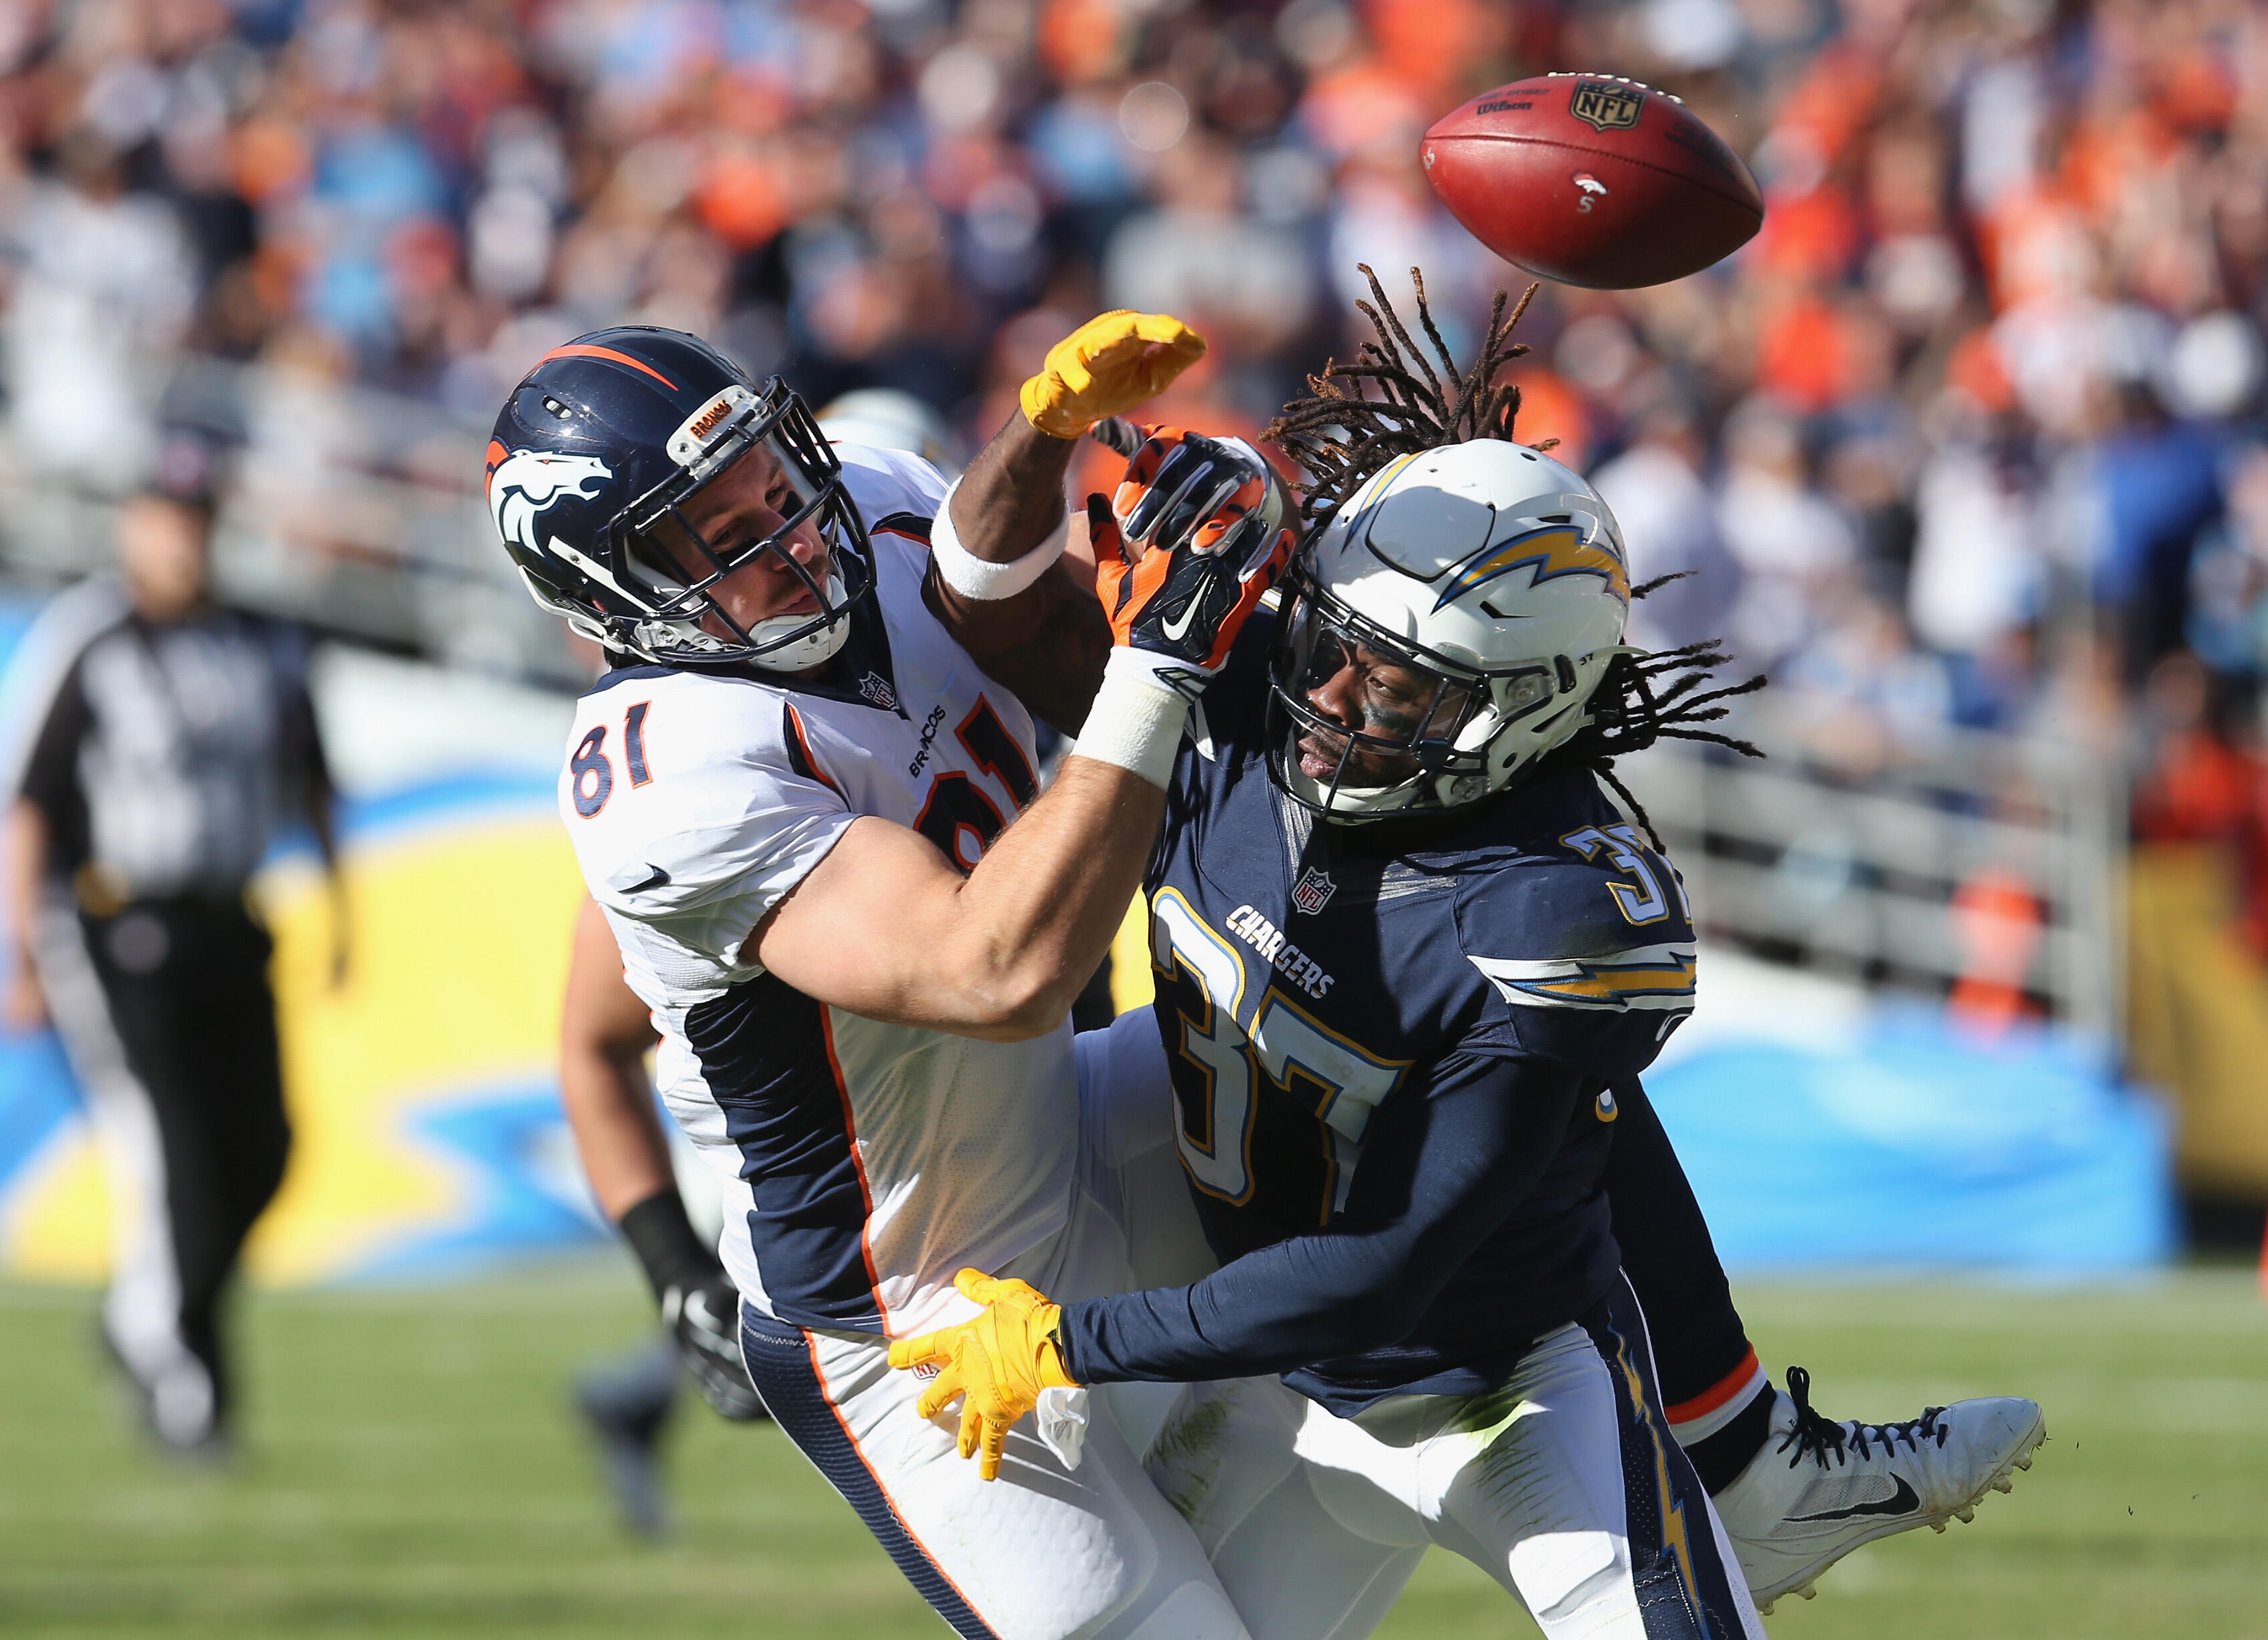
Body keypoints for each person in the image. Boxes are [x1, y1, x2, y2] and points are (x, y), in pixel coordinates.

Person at [890, 273, 2047, 1633]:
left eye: (1393, 684)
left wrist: (1068, 1342)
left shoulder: (1541, 909)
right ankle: (1752, 1460)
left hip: (1498, 1397)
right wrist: (1042, 432)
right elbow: (985, 599)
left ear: (1522, 705)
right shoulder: (1253, 688)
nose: (1326, 699)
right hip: (1269, 1394)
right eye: (1334, 647)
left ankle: (1743, 1464)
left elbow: (1384, 1265)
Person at [488, 314, 1282, 1640]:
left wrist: (1041, 430)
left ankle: (1718, 1458)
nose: (792, 535)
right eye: (718, 535)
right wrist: (1155, 663)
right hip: (910, 1317)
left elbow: (988, 575)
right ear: (610, 595)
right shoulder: (667, 772)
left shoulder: (864, 489)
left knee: (1374, 1081)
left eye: (772, 482)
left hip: (1079, 1128)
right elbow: (995, 967)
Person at [3, 476, 345, 1458]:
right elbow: (29, 804)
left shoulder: (266, 642)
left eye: (196, 524)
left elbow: (311, 780)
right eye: (164, 525)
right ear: (131, 531)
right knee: (169, 1153)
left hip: (231, 918)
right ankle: (185, 1379)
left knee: (266, 1149)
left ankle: (145, 1314)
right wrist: (20, 950)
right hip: (116, 923)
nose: (182, 546)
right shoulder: (92, 638)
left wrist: (341, 906)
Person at [557, 892, 768, 1539]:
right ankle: (637, 1393)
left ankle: (637, 1394)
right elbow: (594, 1043)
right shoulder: (688, 815)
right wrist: (674, 1273)